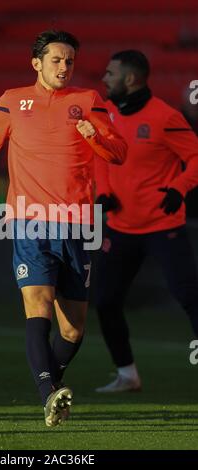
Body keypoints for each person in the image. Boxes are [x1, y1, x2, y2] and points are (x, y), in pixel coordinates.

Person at [0, 30, 127, 426]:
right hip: (28, 221)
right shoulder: (13, 100)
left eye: (69, 60)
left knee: (73, 329)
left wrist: (96, 137)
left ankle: (52, 389)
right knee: (37, 305)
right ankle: (48, 392)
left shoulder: (88, 101)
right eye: (56, 60)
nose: (64, 67)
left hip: (78, 225)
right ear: (36, 63)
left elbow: (118, 153)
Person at [93, 50, 198, 392]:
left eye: (111, 74)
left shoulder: (165, 117)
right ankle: (127, 374)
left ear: (130, 79)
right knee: (106, 299)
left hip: (162, 226)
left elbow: (195, 157)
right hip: (120, 227)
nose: (104, 79)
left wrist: (179, 188)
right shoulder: (106, 113)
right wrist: (104, 191)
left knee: (189, 296)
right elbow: (100, 158)